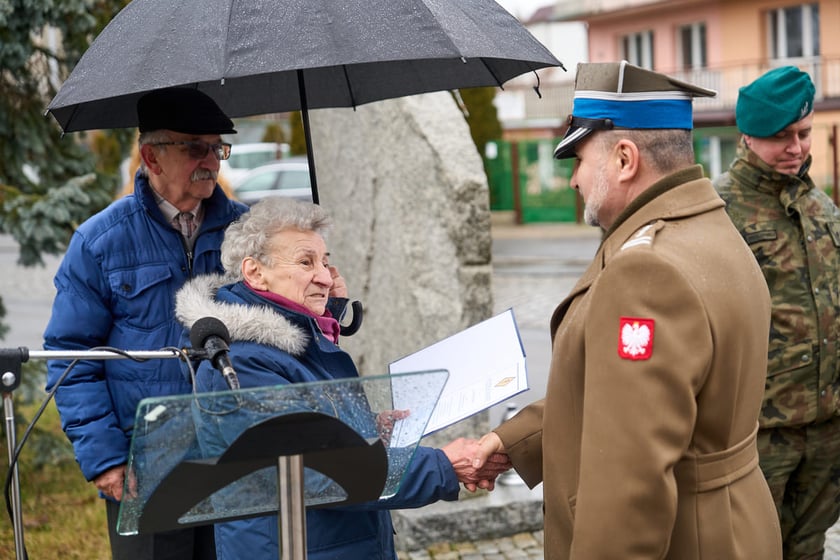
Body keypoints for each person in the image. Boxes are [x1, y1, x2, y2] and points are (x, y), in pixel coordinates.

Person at [470, 61, 783, 559]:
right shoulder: (711, 229)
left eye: (578, 161)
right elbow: (639, 400)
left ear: (624, 159)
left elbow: (628, 483)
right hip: (733, 527)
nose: (574, 181)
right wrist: (520, 440)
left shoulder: (646, 272)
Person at [173, 197, 511, 559]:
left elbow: (316, 428)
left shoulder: (294, 340)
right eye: (306, 262)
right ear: (255, 272)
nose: (324, 276)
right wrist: (442, 464)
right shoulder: (241, 362)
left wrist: (366, 427)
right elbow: (318, 472)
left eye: (326, 262)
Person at [43, 87, 249, 560]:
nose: (211, 161)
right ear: (151, 156)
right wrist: (106, 459)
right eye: (195, 147)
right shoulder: (100, 242)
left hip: (237, 454)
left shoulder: (246, 233)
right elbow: (71, 357)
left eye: (217, 148)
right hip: (146, 463)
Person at [713, 66, 840, 559]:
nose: (796, 148)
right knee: (747, 549)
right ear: (748, 136)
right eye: (780, 137)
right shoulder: (718, 209)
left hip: (827, 427)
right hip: (758, 433)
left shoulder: (822, 209)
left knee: (807, 548)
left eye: (804, 134)